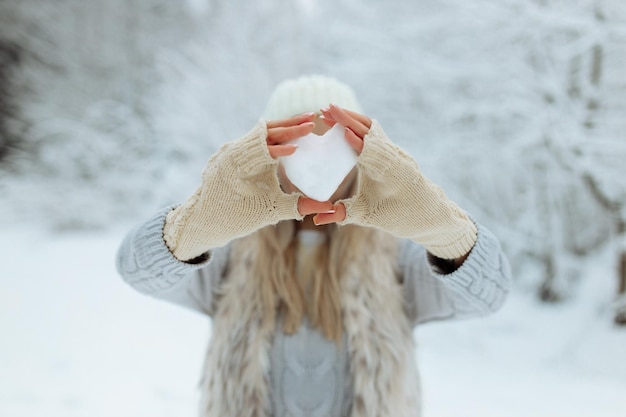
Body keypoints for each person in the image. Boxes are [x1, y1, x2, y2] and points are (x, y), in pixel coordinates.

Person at [116, 75, 512, 417]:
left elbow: (489, 294)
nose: (318, 163)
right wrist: (195, 223)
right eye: (299, 144)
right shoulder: (231, 253)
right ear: (271, 155)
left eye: (336, 144)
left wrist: (441, 227)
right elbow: (136, 270)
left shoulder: (394, 255)